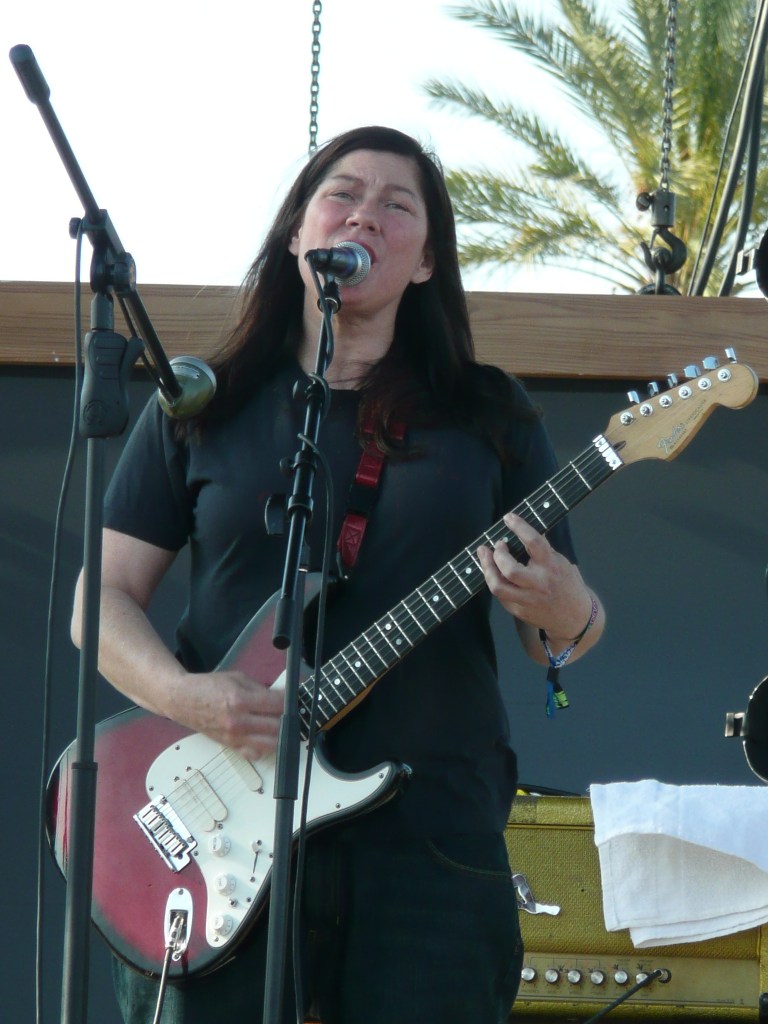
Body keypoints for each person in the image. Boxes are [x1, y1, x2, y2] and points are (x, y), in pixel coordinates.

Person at [71, 125, 605, 1024]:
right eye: (343, 194)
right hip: (221, 836)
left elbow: (560, 635)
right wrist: (188, 697)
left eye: (398, 206)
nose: (365, 215)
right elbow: (103, 601)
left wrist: (566, 607)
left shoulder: (488, 414)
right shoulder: (202, 403)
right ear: (297, 234)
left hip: (429, 840)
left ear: (427, 262)